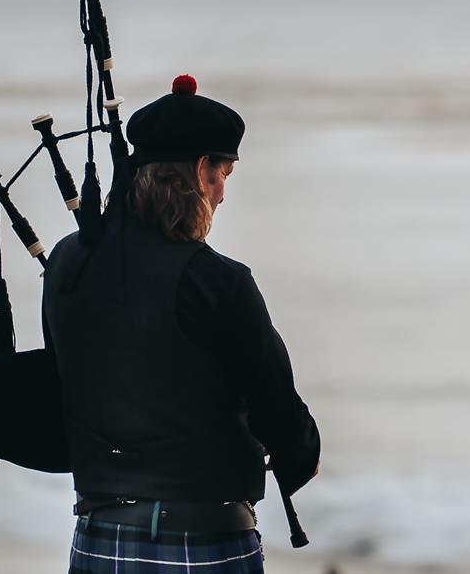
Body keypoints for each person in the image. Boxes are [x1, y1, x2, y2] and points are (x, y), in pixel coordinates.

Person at [43, 74, 320, 574]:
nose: (221, 195)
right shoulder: (218, 280)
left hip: (97, 535)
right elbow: (275, 405)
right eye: (223, 176)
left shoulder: (66, 261)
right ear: (200, 169)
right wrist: (302, 454)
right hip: (203, 543)